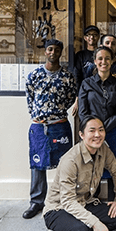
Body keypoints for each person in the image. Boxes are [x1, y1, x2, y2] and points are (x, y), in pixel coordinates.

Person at [43, 117, 116, 231]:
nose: (97, 134)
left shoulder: (103, 149)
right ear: (81, 135)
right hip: (59, 209)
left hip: (84, 202)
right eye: (92, 130)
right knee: (80, 228)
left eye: (101, 130)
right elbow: (68, 201)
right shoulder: (71, 160)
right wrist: (95, 222)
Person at [23, 39, 77, 219]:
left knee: (65, 165)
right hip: (39, 127)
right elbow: (29, 96)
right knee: (38, 164)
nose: (53, 52)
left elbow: (70, 98)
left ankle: (64, 199)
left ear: (61, 53)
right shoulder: (34, 75)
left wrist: (56, 111)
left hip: (60, 125)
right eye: (50, 49)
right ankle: (36, 202)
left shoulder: (67, 77)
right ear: (45, 52)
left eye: (57, 50)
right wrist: (38, 113)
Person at [78, 46, 116, 202]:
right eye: (100, 58)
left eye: (107, 58)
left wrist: (103, 129)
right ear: (94, 61)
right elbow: (83, 112)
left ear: (112, 61)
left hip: (112, 133)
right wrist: (95, 130)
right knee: (93, 170)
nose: (103, 61)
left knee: (115, 169)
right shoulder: (86, 84)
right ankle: (93, 204)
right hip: (92, 135)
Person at [72, 25, 100, 116]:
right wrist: (77, 98)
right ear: (85, 38)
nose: (92, 37)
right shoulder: (80, 55)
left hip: (100, 93)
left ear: (98, 37)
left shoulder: (101, 53)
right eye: (89, 35)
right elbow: (77, 76)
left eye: (95, 34)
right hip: (85, 93)